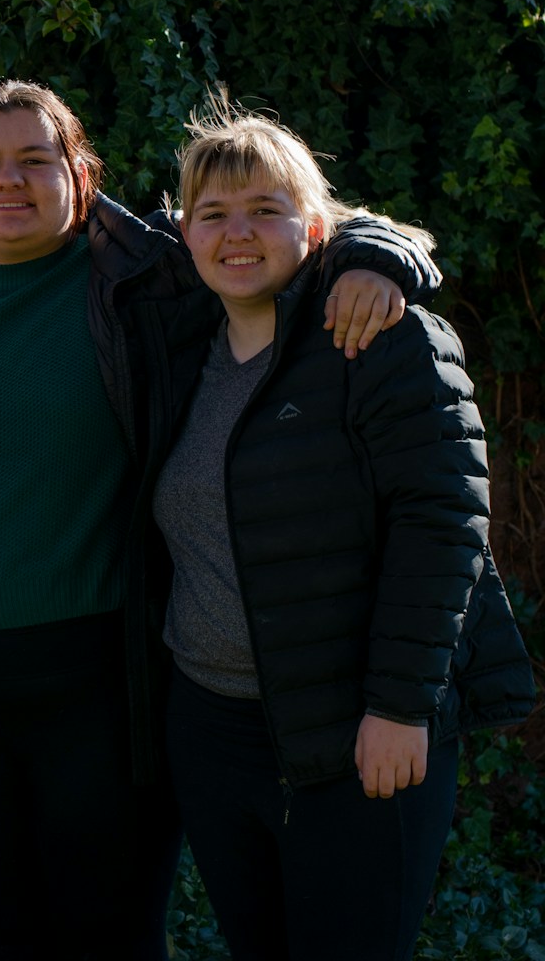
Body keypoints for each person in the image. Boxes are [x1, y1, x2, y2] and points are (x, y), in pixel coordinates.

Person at [0, 80, 440, 960]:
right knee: (0, 933)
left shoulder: (148, 284)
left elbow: (293, 232)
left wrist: (381, 259)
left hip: (99, 677)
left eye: (38, 159)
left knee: (110, 934)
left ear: (83, 176)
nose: (9, 180)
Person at [154, 109, 534, 960]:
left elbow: (444, 526)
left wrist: (400, 706)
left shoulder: (381, 337)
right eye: (212, 215)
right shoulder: (182, 349)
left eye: (265, 209)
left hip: (359, 734)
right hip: (212, 735)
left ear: (316, 227)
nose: (237, 233)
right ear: (185, 234)